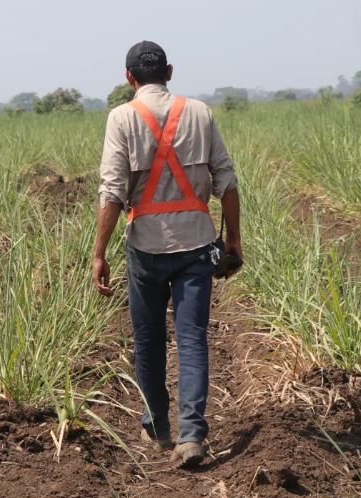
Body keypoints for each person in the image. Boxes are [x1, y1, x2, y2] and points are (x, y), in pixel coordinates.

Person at [92, 40, 242, 467]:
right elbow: (227, 183)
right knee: (192, 339)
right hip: (197, 245)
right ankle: (191, 434)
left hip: (145, 247)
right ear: (170, 73)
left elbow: (112, 193)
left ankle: (157, 425)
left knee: (149, 339)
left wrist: (99, 253)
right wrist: (233, 241)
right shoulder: (199, 112)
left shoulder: (121, 118)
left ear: (129, 78)